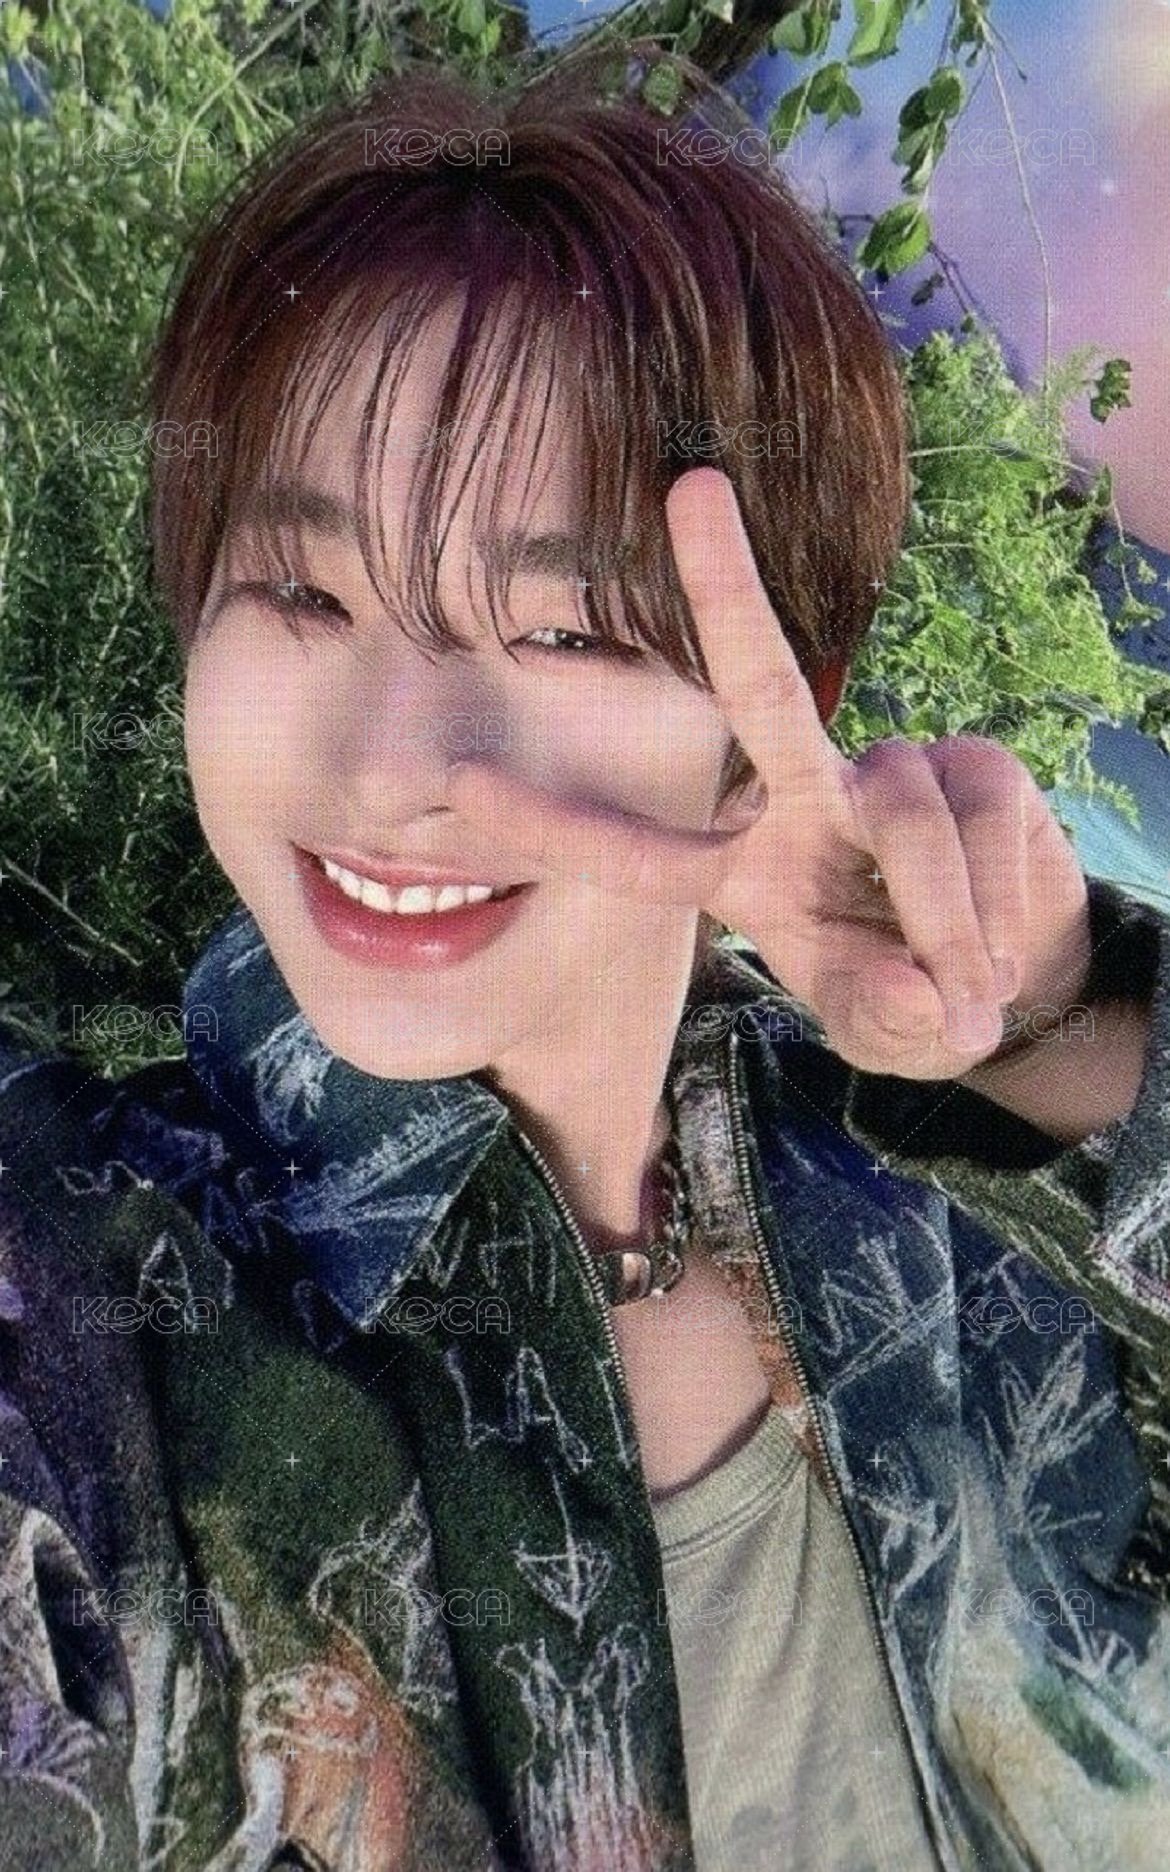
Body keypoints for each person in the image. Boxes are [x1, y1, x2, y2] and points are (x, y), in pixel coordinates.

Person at [2, 39, 1169, 1872]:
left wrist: (1044, 1026)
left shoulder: (952, 1213)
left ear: (779, 706)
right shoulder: (109, 1282)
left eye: (560, 633)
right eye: (302, 592)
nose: (395, 769)